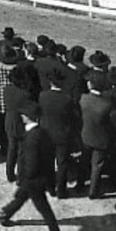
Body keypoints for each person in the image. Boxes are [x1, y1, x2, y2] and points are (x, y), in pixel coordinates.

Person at [0, 101, 61, 231]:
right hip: (39, 177)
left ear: (28, 117)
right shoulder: (42, 132)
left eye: (23, 114)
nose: (21, 116)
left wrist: (25, 178)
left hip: (33, 180)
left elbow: (31, 162)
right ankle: (5, 214)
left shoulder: (32, 137)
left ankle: (54, 229)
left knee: (43, 207)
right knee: (21, 197)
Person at [38, 70, 81, 198]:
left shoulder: (43, 96)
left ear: (50, 82)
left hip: (47, 134)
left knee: (48, 162)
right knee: (62, 163)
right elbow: (74, 118)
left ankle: (50, 188)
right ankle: (61, 190)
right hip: (63, 135)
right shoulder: (67, 98)